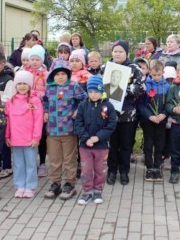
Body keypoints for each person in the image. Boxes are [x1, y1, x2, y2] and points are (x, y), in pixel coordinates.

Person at [43, 59, 86, 200]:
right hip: (52, 130)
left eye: (63, 73)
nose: (60, 76)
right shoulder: (49, 88)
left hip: (68, 130)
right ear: (52, 75)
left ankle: (70, 184)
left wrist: (78, 110)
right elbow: (45, 101)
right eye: (57, 74)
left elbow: (84, 99)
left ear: (68, 74)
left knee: (69, 159)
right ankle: (55, 183)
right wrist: (45, 111)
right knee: (54, 159)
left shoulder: (74, 86)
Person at [106, 40, 145, 186]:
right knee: (112, 144)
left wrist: (122, 90)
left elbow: (141, 88)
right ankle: (111, 170)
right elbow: (99, 87)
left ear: (126, 53)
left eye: (120, 51)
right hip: (109, 114)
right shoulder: (106, 67)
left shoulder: (134, 68)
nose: (117, 53)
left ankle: (124, 171)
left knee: (126, 144)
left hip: (128, 114)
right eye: (115, 51)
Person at [75, 75, 117, 205]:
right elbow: (78, 124)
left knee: (100, 169)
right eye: (91, 92)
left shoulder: (108, 106)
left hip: (101, 146)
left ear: (102, 91)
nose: (93, 95)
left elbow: (111, 125)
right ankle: (87, 191)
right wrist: (86, 138)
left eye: (97, 92)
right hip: (85, 146)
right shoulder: (82, 106)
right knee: (86, 169)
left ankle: (98, 190)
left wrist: (98, 137)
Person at [5, 71, 44, 198]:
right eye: (19, 83)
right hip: (16, 139)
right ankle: (19, 185)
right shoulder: (11, 101)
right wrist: (7, 136)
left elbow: (38, 120)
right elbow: (8, 120)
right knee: (18, 163)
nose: (22, 86)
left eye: (25, 84)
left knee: (31, 163)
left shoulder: (35, 101)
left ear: (30, 85)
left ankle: (30, 186)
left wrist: (36, 137)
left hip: (29, 139)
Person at [138, 60, 170, 182]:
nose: (156, 77)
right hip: (148, 120)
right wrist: (149, 116)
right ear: (150, 72)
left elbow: (169, 103)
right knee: (148, 143)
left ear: (163, 72)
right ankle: (149, 166)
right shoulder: (145, 85)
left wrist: (163, 114)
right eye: (154, 75)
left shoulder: (167, 86)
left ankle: (157, 166)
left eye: (159, 74)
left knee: (159, 143)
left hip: (161, 119)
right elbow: (140, 105)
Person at [25, 45, 49, 178]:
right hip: (28, 111)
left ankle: (43, 163)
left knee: (42, 137)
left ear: (42, 60)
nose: (34, 61)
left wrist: (46, 110)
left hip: (41, 109)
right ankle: (31, 162)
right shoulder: (25, 73)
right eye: (32, 59)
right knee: (30, 137)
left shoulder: (46, 74)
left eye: (37, 59)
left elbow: (48, 92)